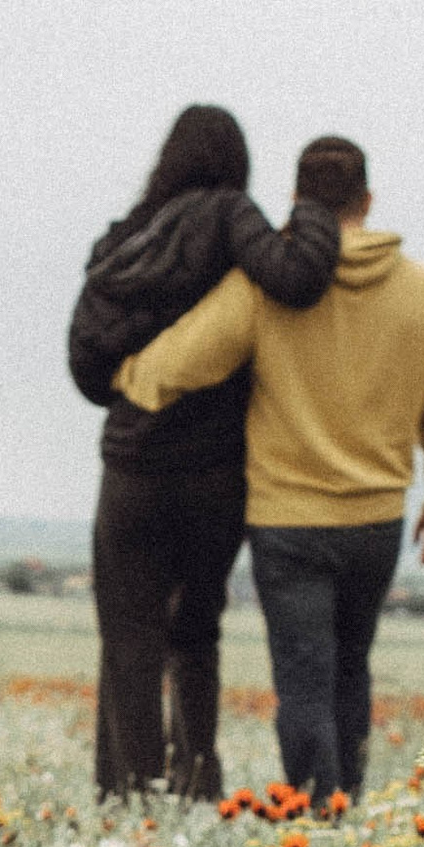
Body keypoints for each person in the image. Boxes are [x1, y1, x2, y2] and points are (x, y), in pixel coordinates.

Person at [114, 137, 424, 809]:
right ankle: (347, 809)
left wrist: (122, 376)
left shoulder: (265, 288)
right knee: (349, 673)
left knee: (304, 682)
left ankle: (316, 822)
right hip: (378, 521)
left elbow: (181, 361)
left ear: (297, 202)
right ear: (368, 200)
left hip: (288, 522)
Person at [67, 107, 339, 799]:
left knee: (128, 639)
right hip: (214, 471)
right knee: (194, 632)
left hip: (130, 468)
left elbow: (85, 366)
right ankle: (194, 784)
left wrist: (137, 374)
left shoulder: (123, 241)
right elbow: (298, 276)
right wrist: (311, 209)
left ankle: (128, 794)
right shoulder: (227, 214)